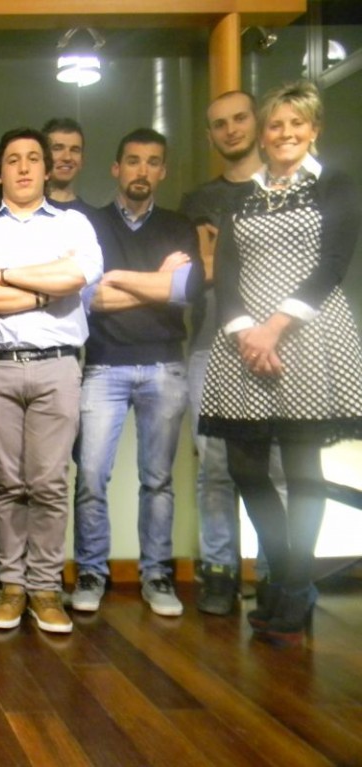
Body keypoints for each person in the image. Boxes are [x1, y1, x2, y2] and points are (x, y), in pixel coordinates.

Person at [199, 80, 362, 645]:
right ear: (263, 135)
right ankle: (291, 575)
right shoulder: (243, 195)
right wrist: (248, 331)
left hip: (307, 337)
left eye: (297, 124)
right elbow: (227, 270)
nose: (285, 133)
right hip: (244, 341)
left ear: (314, 129)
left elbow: (332, 263)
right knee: (245, 469)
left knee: (301, 471)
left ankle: (291, 586)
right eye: (276, 125)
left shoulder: (334, 184)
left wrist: (275, 328)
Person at [0, 127, 102, 634]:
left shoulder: (73, 223)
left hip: (57, 365)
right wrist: (46, 289)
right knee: (5, 482)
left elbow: (77, 278)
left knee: (48, 482)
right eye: (12, 160)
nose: (23, 167)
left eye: (33, 159)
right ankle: (11, 586)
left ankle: (44, 588)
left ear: (47, 169)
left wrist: (4, 274)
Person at [72, 128, 204, 617]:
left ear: (162, 171)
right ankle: (91, 572)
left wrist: (121, 278)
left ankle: (157, 574)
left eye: (152, 162)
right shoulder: (90, 223)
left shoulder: (177, 224)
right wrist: (157, 281)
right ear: (116, 168)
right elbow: (90, 297)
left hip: (164, 365)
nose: (141, 170)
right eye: (132, 160)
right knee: (90, 478)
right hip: (103, 364)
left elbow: (185, 290)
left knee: (158, 481)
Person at [179, 91, 278, 615]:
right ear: (210, 135)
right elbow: (198, 276)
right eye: (220, 124)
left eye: (240, 118)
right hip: (211, 344)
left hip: (282, 343)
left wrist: (224, 258)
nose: (231, 129)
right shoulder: (198, 201)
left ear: (256, 122)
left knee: (277, 467)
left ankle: (278, 572)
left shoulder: (287, 190)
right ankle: (218, 572)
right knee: (215, 465)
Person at [41, 117, 98, 217]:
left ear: (82, 160)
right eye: (58, 148)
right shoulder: (25, 212)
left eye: (75, 150)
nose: (67, 157)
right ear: (42, 157)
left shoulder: (95, 218)